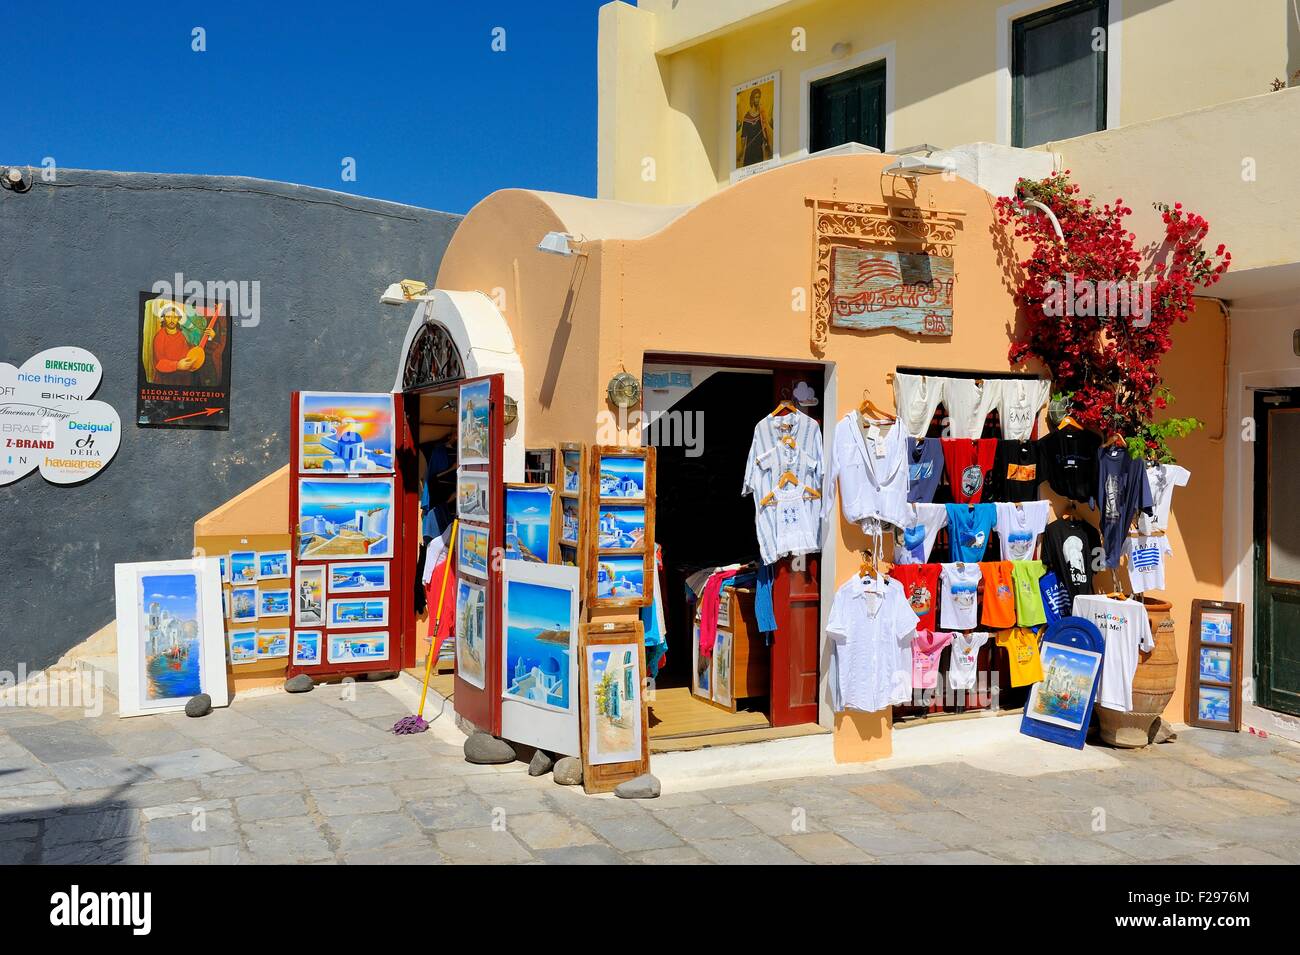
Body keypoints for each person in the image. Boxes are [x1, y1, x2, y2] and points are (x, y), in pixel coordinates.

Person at [151, 302, 214, 383]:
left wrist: (209, 337)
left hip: (184, 378)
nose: (171, 320)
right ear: (164, 318)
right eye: (168, 317)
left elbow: (194, 349)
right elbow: (159, 363)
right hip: (167, 380)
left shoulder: (182, 335)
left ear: (178, 319)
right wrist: (177, 365)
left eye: (175, 317)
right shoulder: (159, 337)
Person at [737, 87, 772, 167]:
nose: (758, 99)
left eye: (759, 97)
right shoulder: (747, 117)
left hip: (759, 150)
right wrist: (742, 150)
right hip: (749, 151)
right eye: (756, 97)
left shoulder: (761, 115)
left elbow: (764, 131)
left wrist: (767, 144)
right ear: (752, 98)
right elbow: (743, 136)